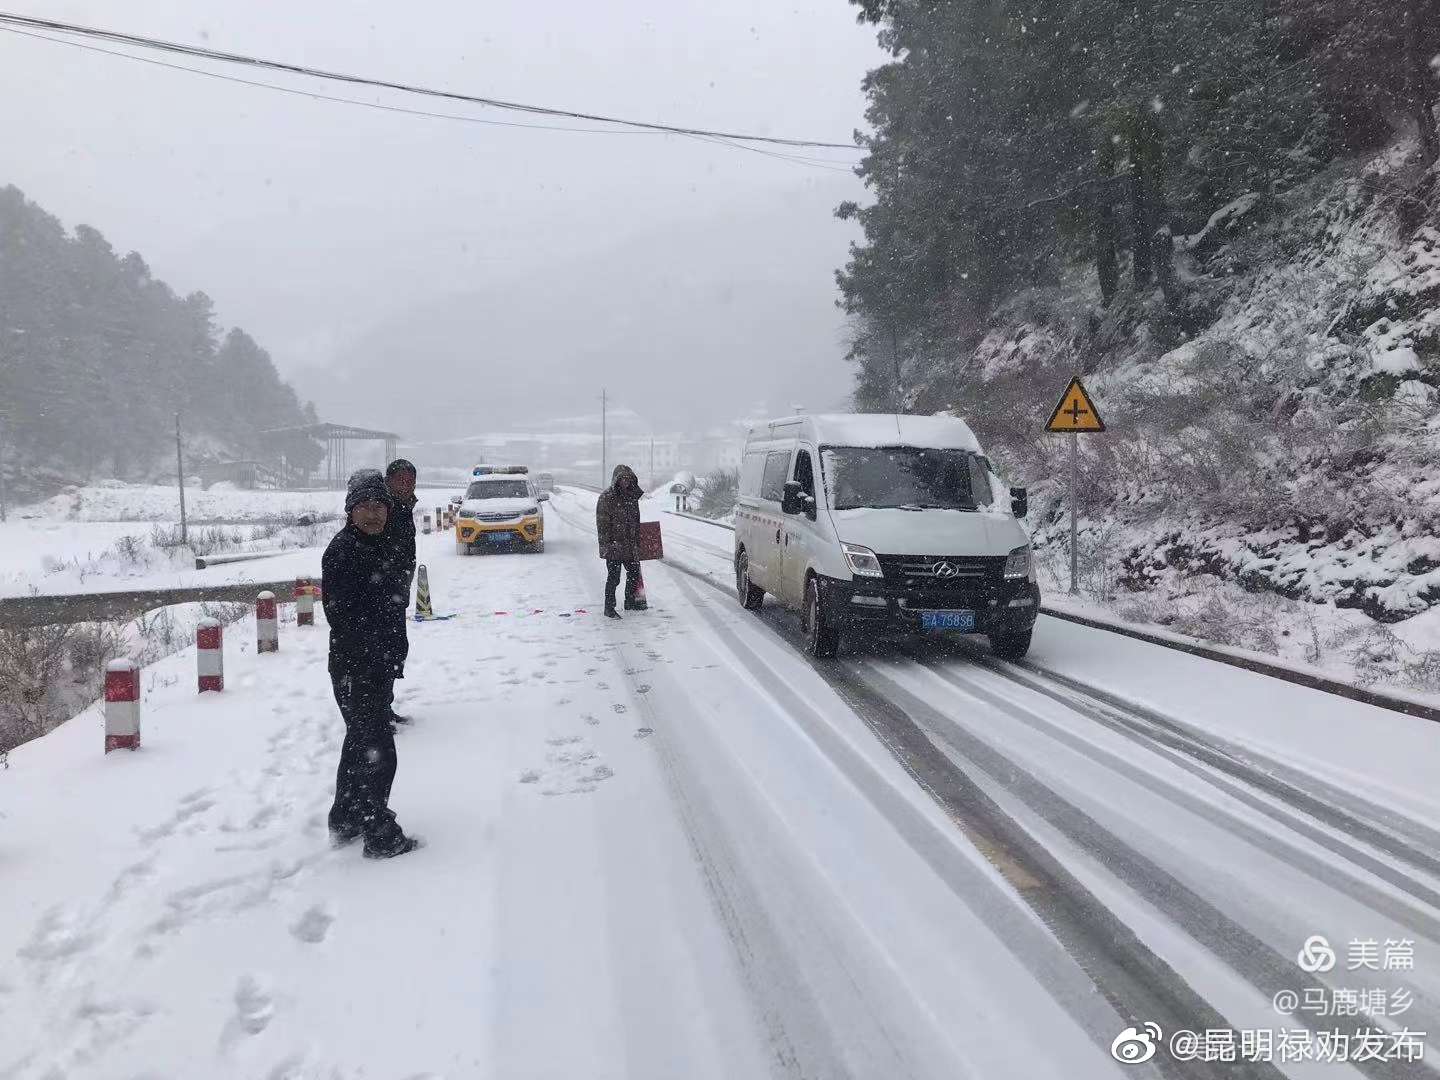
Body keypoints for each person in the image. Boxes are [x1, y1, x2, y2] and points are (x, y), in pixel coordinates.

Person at [323, 471, 419, 859]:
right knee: (378, 749)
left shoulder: (382, 544)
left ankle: (345, 819)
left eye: (379, 506)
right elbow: (343, 616)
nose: (373, 513)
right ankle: (377, 829)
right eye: (365, 506)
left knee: (359, 743)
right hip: (356, 668)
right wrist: (377, 650)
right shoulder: (344, 551)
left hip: (374, 665)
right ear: (350, 510)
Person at [382, 459, 419, 727]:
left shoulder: (404, 508)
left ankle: (384, 707)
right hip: (381, 593)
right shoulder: (384, 510)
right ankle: (376, 714)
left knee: (395, 651)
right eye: (400, 480)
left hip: (396, 592)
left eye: (410, 480)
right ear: (389, 481)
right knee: (382, 654)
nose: (406, 485)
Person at [595, 464, 645, 619]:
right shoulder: (606, 498)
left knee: (634, 573)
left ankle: (630, 602)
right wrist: (608, 545)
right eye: (622, 479)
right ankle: (609, 608)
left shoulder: (632, 496)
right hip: (614, 545)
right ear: (616, 480)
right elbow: (602, 525)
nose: (625, 482)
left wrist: (637, 542)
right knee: (614, 577)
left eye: (628, 479)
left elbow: (636, 521)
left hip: (630, 544)